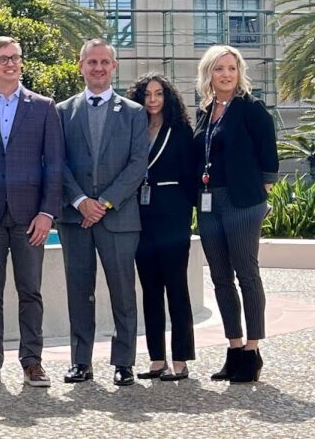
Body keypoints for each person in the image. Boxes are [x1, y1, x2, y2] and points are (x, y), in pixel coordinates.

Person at [0, 36, 64, 388]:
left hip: (29, 217)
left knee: (30, 291)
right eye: (1, 58)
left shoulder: (44, 107)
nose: (9, 63)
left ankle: (32, 362)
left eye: (15, 57)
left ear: (21, 62)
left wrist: (47, 213)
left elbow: (54, 165)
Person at [57, 38, 148, 387]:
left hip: (118, 219)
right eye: (91, 62)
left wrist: (105, 202)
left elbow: (138, 164)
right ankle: (81, 362)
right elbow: (57, 162)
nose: (97, 68)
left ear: (114, 67)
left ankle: (123, 362)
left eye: (104, 62)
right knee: (79, 291)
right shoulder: (63, 111)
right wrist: (81, 200)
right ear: (80, 66)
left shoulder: (134, 113)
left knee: (123, 292)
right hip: (75, 217)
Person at [192, 45, 278, 384]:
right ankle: (233, 348)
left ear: (239, 72)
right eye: (219, 69)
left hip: (243, 203)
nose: (226, 74)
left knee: (247, 273)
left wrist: (263, 194)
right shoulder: (205, 111)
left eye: (231, 68)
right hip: (210, 202)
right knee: (220, 278)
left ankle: (252, 352)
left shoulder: (252, 109)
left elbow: (268, 156)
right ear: (208, 74)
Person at [126, 73, 196, 381]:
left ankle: (180, 359)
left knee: (176, 287)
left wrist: (185, 212)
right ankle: (157, 359)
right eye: (147, 95)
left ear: (167, 97)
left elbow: (191, 175)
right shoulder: (135, 129)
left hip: (173, 218)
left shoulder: (180, 131)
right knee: (150, 289)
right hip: (142, 217)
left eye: (158, 94)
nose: (153, 100)